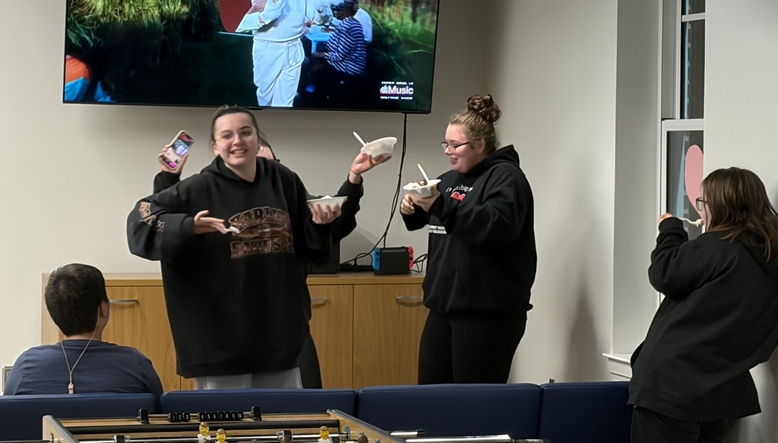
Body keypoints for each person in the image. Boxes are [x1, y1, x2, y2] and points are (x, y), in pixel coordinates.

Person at [612, 168, 778, 443]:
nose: (702, 209)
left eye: (704, 202)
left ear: (718, 206)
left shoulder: (717, 247)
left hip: (671, 388)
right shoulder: (771, 260)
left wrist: (670, 230)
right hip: (722, 394)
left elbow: (664, 272)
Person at [128, 106, 342, 390]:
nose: (237, 141)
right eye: (226, 135)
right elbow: (140, 223)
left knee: (284, 427)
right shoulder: (198, 188)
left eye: (245, 132)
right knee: (226, 433)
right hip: (220, 349)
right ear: (215, 147)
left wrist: (320, 224)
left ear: (257, 139)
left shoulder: (284, 180)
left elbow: (309, 246)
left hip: (279, 343)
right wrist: (188, 226)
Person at [152, 131, 388, 388]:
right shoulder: (212, 204)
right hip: (231, 335)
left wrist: (354, 178)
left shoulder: (288, 200)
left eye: (268, 164)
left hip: (285, 330)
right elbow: (170, 227)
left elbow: (330, 221)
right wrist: (168, 177)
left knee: (297, 410)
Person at [401, 95, 536, 384]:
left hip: (486, 314)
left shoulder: (506, 178)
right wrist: (413, 210)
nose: (448, 151)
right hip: (443, 307)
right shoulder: (447, 180)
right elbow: (437, 220)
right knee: (430, 399)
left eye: (455, 145)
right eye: (445, 144)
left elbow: (494, 227)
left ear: (479, 145)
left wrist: (441, 206)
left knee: (474, 409)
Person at [5, 264, 163, 396]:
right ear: (103, 309)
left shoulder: (25, 365)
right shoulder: (135, 364)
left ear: (53, 314)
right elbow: (161, 420)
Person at [236, 0, 330, 107]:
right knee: (265, 97)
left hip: (293, 47)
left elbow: (317, 17)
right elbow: (239, 23)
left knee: (286, 102)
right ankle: (266, 129)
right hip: (265, 48)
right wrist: (264, 17)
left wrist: (322, 12)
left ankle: (280, 131)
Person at [313, 0, 367, 107]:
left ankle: (316, 98)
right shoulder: (352, 23)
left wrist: (320, 54)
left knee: (315, 65)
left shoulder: (347, 26)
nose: (336, 12)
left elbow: (339, 56)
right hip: (351, 64)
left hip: (349, 69)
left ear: (346, 11)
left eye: (339, 10)